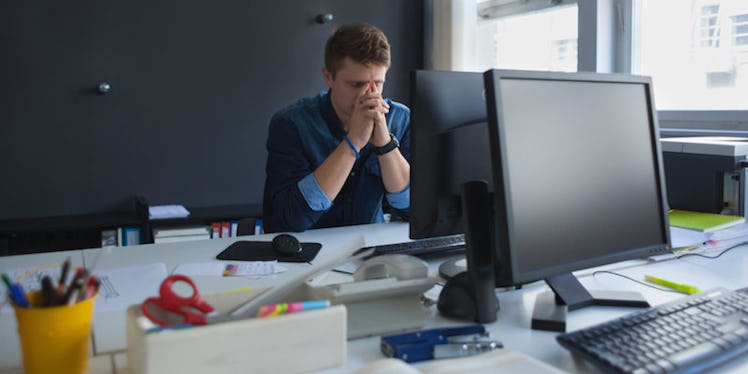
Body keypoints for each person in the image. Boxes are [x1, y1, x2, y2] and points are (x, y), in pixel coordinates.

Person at [264, 23, 410, 233]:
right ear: (328, 77)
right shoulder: (291, 124)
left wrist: (385, 144)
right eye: (356, 84)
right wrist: (353, 142)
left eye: (377, 83)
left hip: (371, 250)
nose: (368, 95)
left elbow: (413, 212)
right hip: (309, 251)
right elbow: (291, 219)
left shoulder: (400, 118)